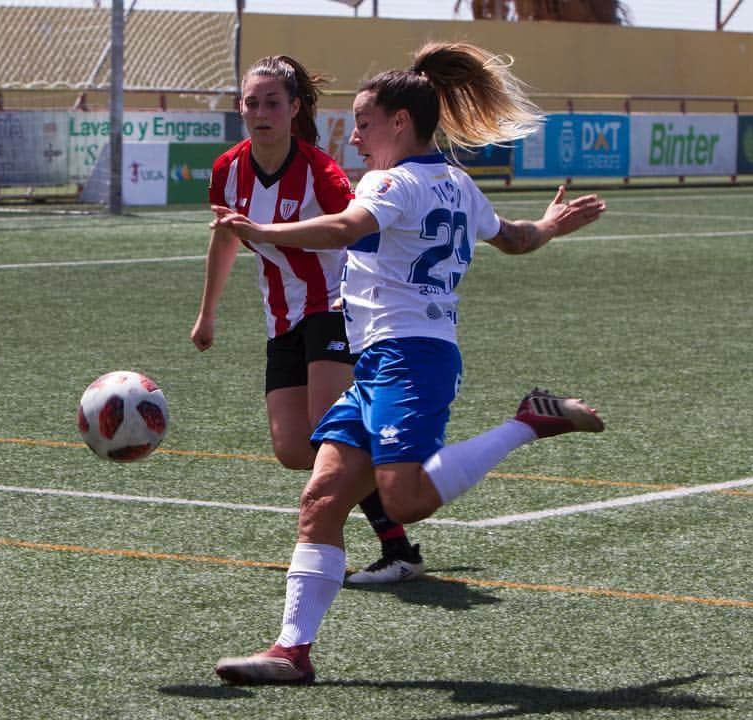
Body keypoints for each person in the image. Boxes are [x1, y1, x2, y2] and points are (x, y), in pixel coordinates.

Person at [211, 41, 607, 685]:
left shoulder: (391, 181)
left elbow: (343, 229)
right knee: (320, 498)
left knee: (406, 499)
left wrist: (262, 231)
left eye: (364, 124)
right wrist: (552, 225)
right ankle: (291, 651)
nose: (357, 137)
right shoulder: (457, 181)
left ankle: (527, 422)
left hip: (411, 358)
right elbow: (515, 239)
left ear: (400, 122)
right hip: (380, 362)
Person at [191, 55, 425, 584]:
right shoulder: (228, 168)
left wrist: (364, 297)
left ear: (295, 108)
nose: (261, 112)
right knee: (294, 449)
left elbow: (359, 233)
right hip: (281, 318)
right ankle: (396, 463)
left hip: (334, 307)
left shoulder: (321, 172)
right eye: (252, 102)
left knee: (330, 428)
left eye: (273, 102)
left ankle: (397, 546)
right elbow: (226, 234)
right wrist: (207, 313)